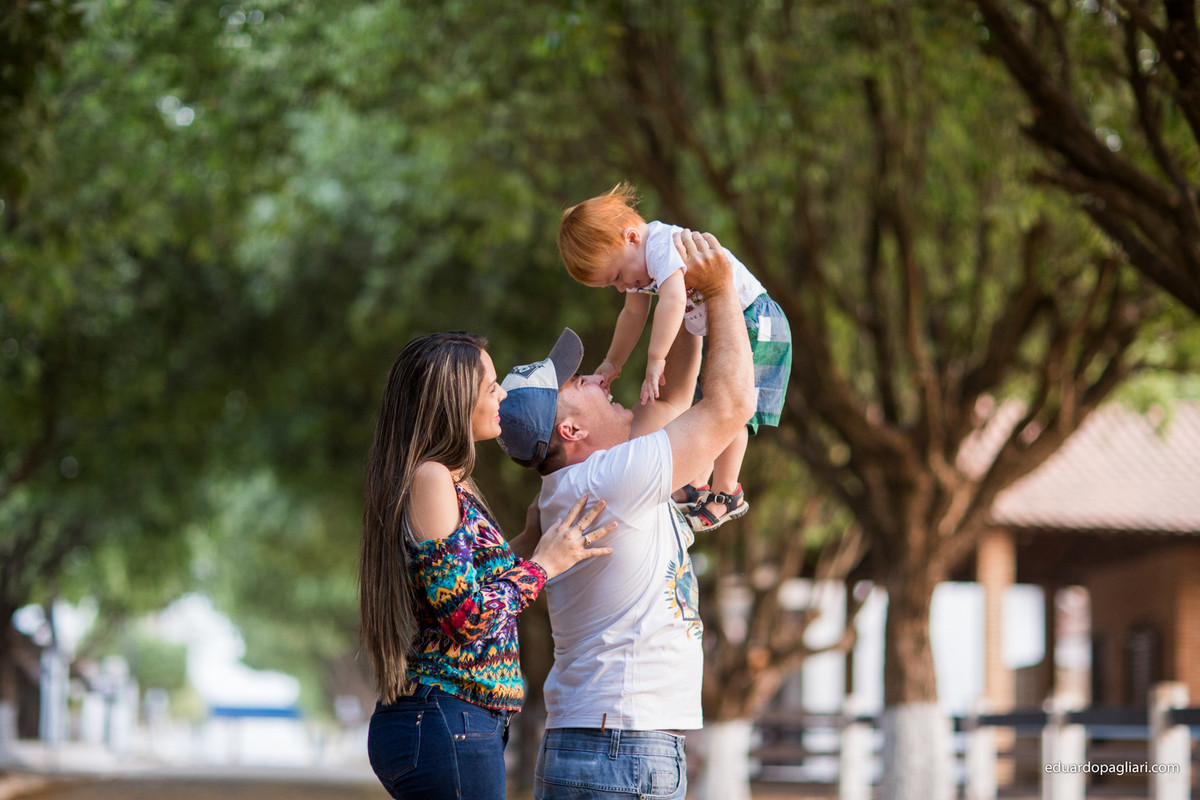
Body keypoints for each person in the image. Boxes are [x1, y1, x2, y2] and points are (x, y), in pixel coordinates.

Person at [497, 230, 755, 800]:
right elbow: (732, 405)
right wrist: (720, 292)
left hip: (603, 744)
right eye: (579, 382)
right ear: (571, 429)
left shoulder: (575, 484)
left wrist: (681, 293)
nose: (597, 376)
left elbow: (675, 396)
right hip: (622, 751)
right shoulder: (608, 481)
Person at [359, 331, 616, 800]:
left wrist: (529, 541)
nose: (502, 396)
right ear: (456, 402)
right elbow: (464, 616)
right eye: (491, 387)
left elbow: (466, 585)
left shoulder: (450, 481)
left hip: (454, 718)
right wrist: (543, 565)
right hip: (447, 715)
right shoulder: (432, 478)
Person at [557, 182, 793, 531]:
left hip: (756, 320)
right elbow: (632, 314)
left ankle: (727, 492)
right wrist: (612, 362)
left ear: (631, 237)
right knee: (706, 403)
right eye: (613, 285)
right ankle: (697, 483)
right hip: (726, 325)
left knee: (733, 410)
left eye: (618, 276)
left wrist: (656, 360)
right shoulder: (639, 268)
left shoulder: (660, 246)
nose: (623, 287)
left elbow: (673, 300)